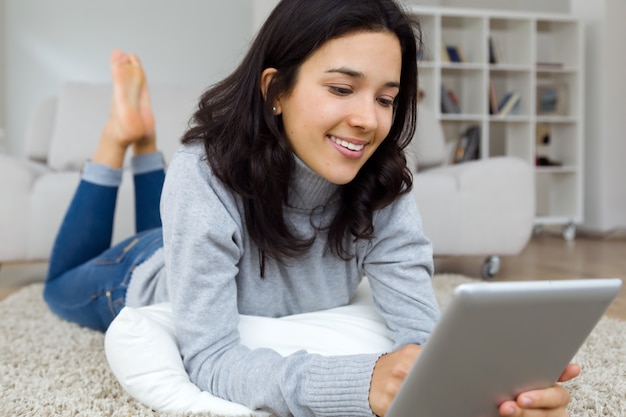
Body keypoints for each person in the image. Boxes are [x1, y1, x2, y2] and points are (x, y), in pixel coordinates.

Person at [43, 0, 580, 416]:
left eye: (386, 98)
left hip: (192, 232)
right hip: (142, 269)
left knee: (172, 216)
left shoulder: (383, 183)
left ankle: (142, 142)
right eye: (343, 87)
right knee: (58, 284)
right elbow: (206, 358)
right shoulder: (202, 172)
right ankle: (121, 140)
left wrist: (484, 387)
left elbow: (420, 335)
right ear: (276, 90)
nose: (369, 120)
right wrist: (358, 386)